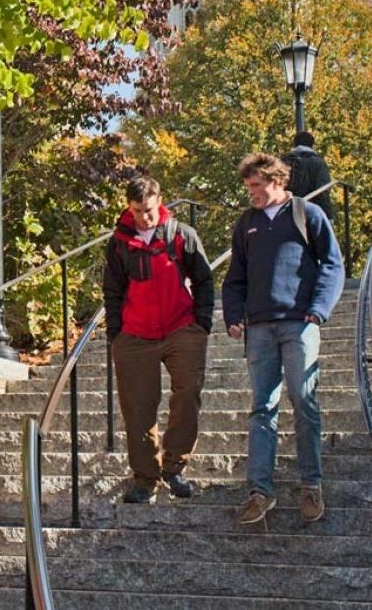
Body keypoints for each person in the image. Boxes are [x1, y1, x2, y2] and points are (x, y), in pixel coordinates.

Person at [222, 152, 345, 525]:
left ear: (277, 181)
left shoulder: (307, 215)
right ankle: (260, 492)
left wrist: (318, 309)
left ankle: (311, 485)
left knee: (304, 401)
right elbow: (235, 277)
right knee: (262, 408)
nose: (251, 193)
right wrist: (233, 316)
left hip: (298, 325)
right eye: (248, 187)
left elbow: (332, 264)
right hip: (259, 327)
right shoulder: (247, 224)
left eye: (256, 186)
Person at [102, 174, 217, 503]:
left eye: (148, 210)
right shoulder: (119, 242)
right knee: (137, 409)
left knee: (187, 395)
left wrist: (202, 322)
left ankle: (175, 467)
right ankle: (145, 477)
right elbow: (112, 290)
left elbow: (204, 279)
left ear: (160, 201)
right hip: (134, 335)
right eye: (136, 211)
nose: (143, 217)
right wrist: (116, 333)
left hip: (182, 328)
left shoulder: (182, 234)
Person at [282, 130, 334, 217]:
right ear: (312, 144)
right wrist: (328, 215)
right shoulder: (318, 162)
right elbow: (322, 191)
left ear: (295, 144)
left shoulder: (284, 161)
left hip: (287, 212)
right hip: (310, 212)